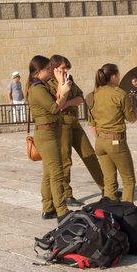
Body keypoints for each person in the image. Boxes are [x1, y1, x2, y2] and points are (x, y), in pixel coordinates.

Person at [48, 55, 105, 207]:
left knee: (89, 154)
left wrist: (66, 103)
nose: (65, 71)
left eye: (66, 68)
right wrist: (63, 98)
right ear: (54, 69)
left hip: (73, 121)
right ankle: (67, 194)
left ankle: (105, 187)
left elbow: (80, 98)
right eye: (62, 68)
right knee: (65, 159)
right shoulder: (49, 84)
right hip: (61, 124)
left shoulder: (69, 80)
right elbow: (55, 105)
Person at [87, 63, 137, 203]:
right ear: (114, 76)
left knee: (109, 182)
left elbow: (92, 123)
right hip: (116, 142)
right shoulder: (120, 94)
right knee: (128, 180)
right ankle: (127, 212)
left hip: (100, 142)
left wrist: (100, 137)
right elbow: (132, 118)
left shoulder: (92, 95)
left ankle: (110, 213)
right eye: (119, 75)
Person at [25, 55, 71, 221]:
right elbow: (54, 108)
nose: (49, 72)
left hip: (51, 132)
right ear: (38, 71)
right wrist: (63, 90)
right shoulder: (37, 89)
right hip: (46, 135)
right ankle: (62, 211)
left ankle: (48, 208)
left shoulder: (41, 86)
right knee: (57, 173)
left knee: (48, 173)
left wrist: (61, 87)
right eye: (47, 69)